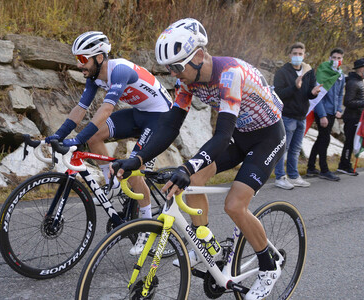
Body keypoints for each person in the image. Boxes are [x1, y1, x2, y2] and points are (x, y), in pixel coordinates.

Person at [111, 18, 286, 299]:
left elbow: (221, 134)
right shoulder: (188, 81)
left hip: (267, 138)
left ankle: (269, 267)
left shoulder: (229, 74)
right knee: (192, 179)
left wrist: (186, 164)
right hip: (240, 135)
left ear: (200, 56)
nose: (174, 74)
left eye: (178, 67)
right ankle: (203, 242)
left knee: (234, 204)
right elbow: (169, 126)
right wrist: (137, 159)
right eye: (170, 69)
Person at [45, 31, 173, 254]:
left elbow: (105, 109)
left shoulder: (120, 70)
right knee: (95, 137)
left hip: (160, 117)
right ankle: (111, 183)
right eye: (77, 59)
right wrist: (59, 134)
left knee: (133, 168)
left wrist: (77, 139)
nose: (79, 65)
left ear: (100, 58)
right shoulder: (94, 76)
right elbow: (81, 107)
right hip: (140, 112)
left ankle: (146, 227)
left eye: (83, 59)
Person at [273, 42, 322, 190]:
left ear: (304, 55)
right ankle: (280, 177)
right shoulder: (282, 72)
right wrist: (295, 86)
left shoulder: (308, 72)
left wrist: (313, 94)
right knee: (284, 148)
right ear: (289, 55)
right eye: (295, 54)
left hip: (302, 116)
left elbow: (309, 93)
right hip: (287, 116)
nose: (297, 56)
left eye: (300, 54)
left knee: (295, 149)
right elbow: (278, 94)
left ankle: (294, 176)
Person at [306, 48, 345, 181]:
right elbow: (318, 97)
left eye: (339, 58)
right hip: (322, 111)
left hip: (332, 112)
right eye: (334, 57)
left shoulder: (340, 75)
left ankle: (311, 167)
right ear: (329, 58)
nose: (336, 60)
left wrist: (338, 109)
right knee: (325, 139)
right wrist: (322, 115)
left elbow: (340, 94)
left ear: (342, 60)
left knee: (322, 138)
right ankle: (324, 169)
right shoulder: (323, 71)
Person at [338, 58, 364, 175]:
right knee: (349, 142)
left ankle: (346, 164)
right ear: (360, 69)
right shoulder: (353, 82)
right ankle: (344, 165)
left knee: (352, 141)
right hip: (351, 117)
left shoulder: (360, 80)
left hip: (357, 116)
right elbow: (348, 102)